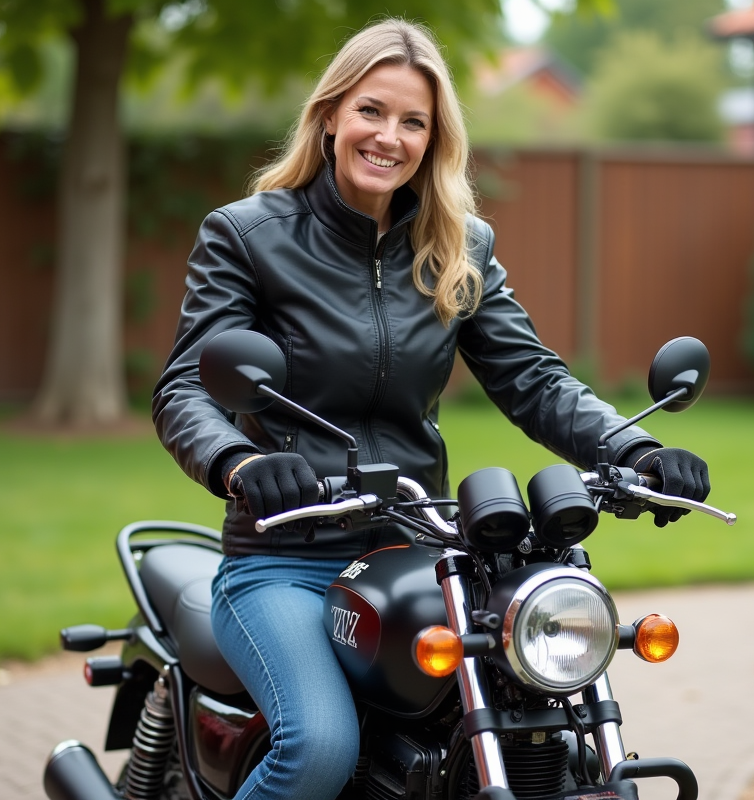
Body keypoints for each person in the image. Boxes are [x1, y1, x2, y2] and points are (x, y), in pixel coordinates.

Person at [152, 17, 710, 800]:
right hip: (287, 559)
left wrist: (634, 452)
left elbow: (534, 380)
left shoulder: (459, 246)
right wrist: (242, 463)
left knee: (539, 714)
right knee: (320, 749)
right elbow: (186, 388)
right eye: (372, 111)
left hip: (424, 557)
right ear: (330, 116)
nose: (390, 136)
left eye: (413, 121)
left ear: (434, 139)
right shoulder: (249, 236)